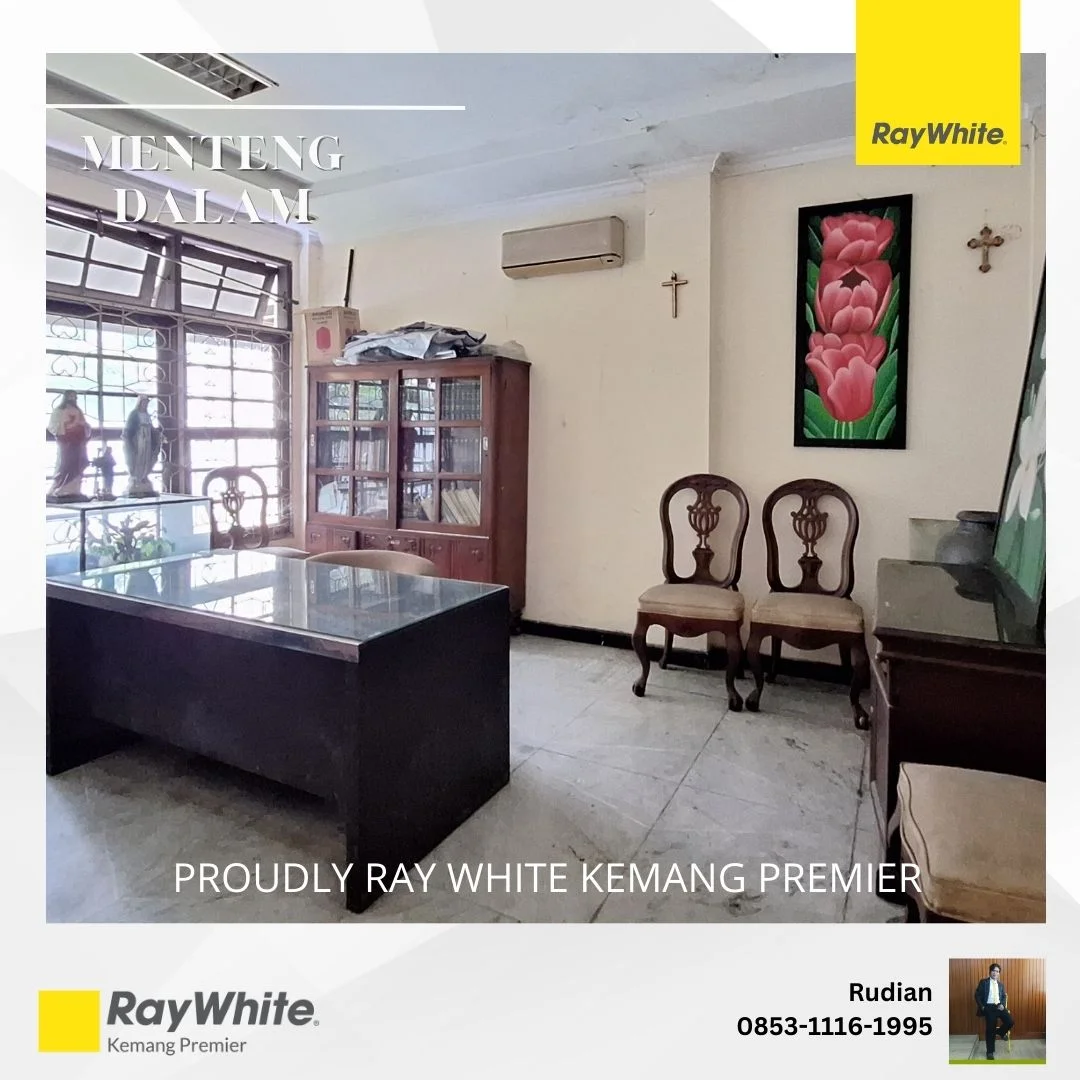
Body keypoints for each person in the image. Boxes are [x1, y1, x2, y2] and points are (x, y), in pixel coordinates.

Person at [47, 390, 92, 501]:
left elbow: (84, 425)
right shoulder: (59, 411)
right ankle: (60, 488)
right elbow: (53, 426)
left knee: (79, 463)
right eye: (70, 396)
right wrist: (66, 425)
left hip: (77, 441)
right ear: (65, 397)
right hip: (66, 441)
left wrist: (84, 426)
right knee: (65, 464)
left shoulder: (78, 411)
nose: (72, 399)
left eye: (74, 397)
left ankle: (73, 489)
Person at [123, 394, 162, 496]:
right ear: (140, 403)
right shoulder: (134, 414)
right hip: (138, 440)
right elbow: (129, 429)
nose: (145, 405)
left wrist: (156, 433)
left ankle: (144, 476)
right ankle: (137, 477)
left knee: (146, 458)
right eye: (144, 402)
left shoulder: (147, 415)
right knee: (138, 457)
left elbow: (151, 428)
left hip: (147, 440)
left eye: (146, 403)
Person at [974, 963, 1014, 1059]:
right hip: (989, 1007)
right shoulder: (984, 982)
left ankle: (999, 1032)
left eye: (997, 971)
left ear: (999, 973)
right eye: (993, 971)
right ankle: (990, 1052)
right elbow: (977, 995)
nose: (995, 973)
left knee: (1010, 1021)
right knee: (990, 1029)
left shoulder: (1000, 985)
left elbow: (1003, 996)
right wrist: (982, 1007)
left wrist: (1002, 1005)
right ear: (990, 971)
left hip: (999, 1006)